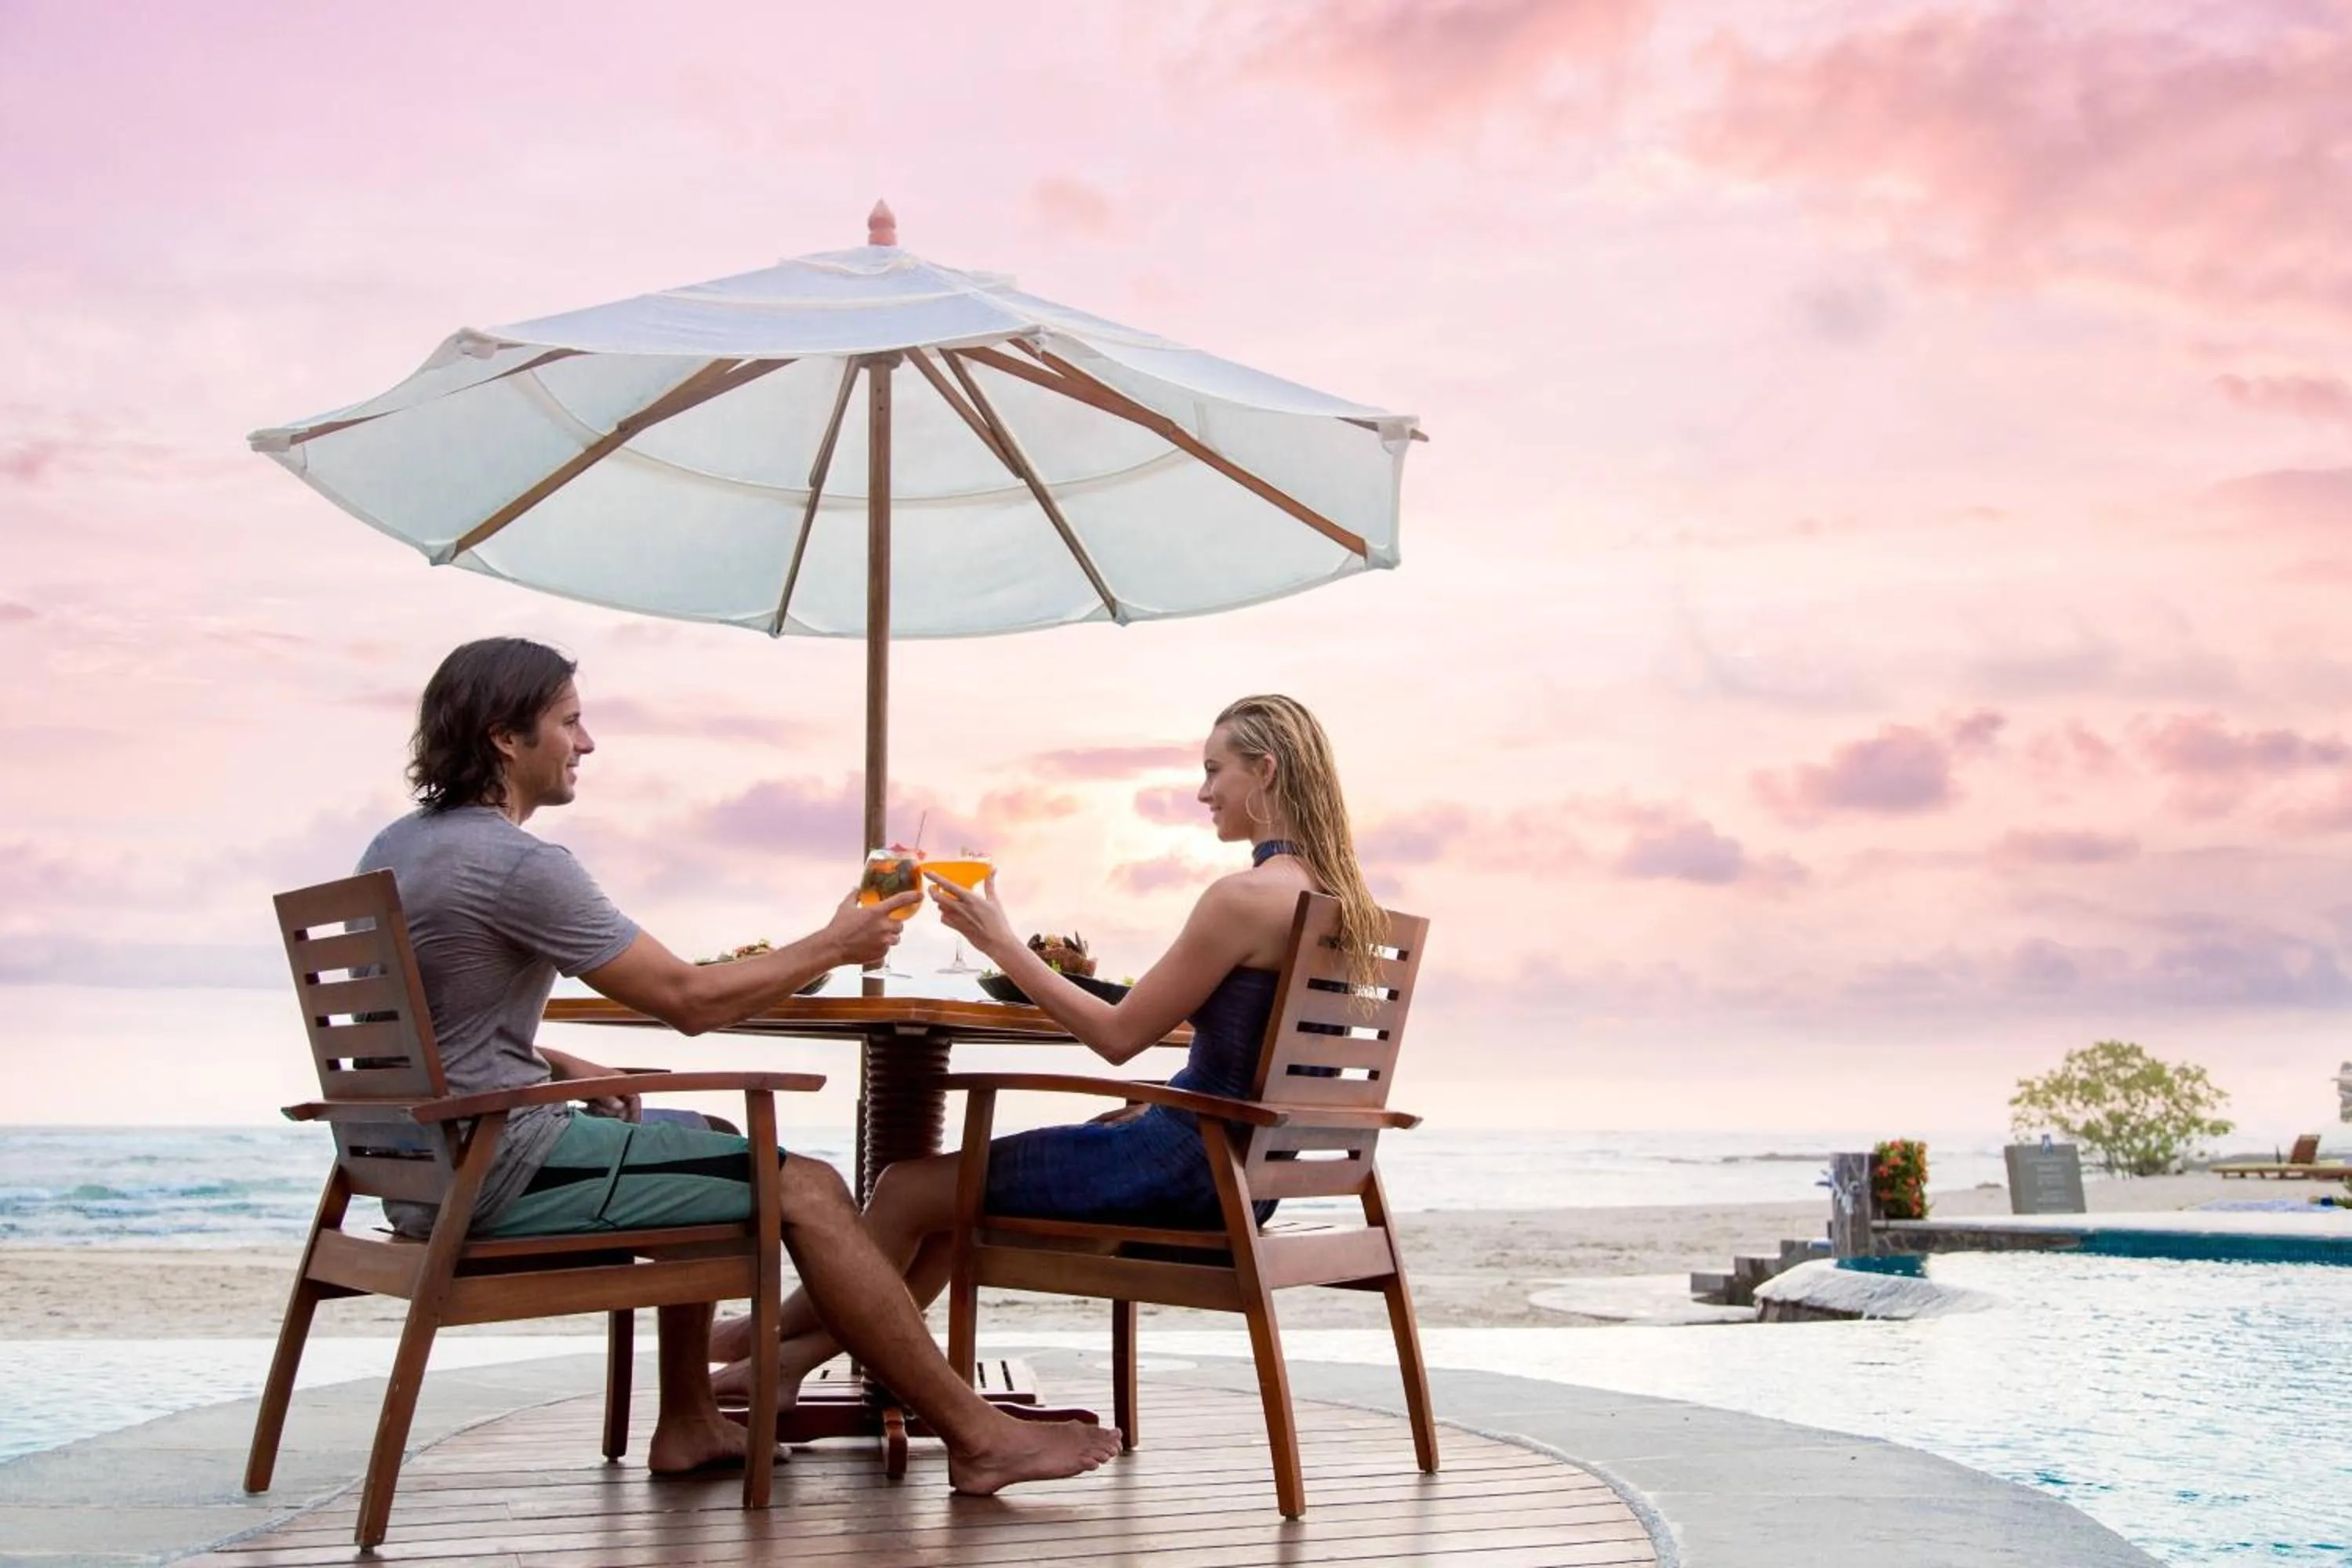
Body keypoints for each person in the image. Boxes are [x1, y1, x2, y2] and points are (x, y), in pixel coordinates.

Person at [359, 636, 1120, 1491]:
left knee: (713, 1132)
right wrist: (838, 941)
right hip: (498, 1168)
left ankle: (689, 1417)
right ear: (506, 735)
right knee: (807, 1184)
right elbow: (689, 999)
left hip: (423, 1162)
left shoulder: (400, 845)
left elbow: (429, 1012)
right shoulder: (521, 864)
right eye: (570, 721)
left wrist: (532, 1052)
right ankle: (980, 1437)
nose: (588, 742)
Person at [710, 694, 1385, 1400]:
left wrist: (999, 941)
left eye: (1215, 771)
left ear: (1267, 771)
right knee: (945, 1206)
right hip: (1244, 1175)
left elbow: (1118, 1040)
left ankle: (767, 1338)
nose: (1203, 791)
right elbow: (1213, 1036)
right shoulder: (1338, 904)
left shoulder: (1244, 899)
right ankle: (782, 1361)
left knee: (907, 1188)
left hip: (1182, 1165)